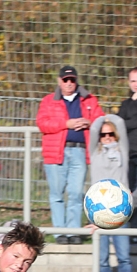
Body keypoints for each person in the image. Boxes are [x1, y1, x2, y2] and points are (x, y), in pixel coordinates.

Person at [36, 65, 104, 243]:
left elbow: (101, 120)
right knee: (57, 194)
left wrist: (89, 122)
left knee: (76, 193)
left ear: (76, 80)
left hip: (80, 151)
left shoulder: (89, 100)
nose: (68, 83)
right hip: (56, 153)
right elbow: (42, 123)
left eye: (72, 79)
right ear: (59, 81)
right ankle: (60, 232)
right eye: (65, 80)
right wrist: (66, 124)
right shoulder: (49, 101)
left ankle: (73, 231)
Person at [87, 115, 137, 272]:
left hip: (119, 210)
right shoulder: (94, 152)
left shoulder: (122, 151)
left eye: (110, 133)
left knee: (124, 256)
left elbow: (120, 123)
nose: (107, 137)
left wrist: (109, 118)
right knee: (102, 258)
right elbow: (93, 129)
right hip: (99, 211)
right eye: (104, 135)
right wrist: (102, 119)